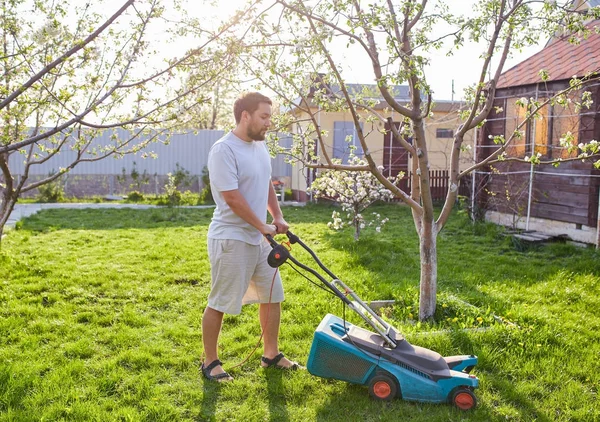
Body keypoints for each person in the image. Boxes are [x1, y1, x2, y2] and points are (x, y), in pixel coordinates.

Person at [201, 92, 301, 382]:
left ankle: (271, 354)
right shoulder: (224, 150)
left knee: (273, 296)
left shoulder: (259, 146)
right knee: (220, 301)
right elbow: (232, 198)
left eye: (270, 116)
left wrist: (277, 216)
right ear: (245, 115)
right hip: (231, 238)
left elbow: (265, 182)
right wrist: (261, 225)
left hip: (259, 238)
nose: (269, 123)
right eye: (264, 116)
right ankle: (210, 362)